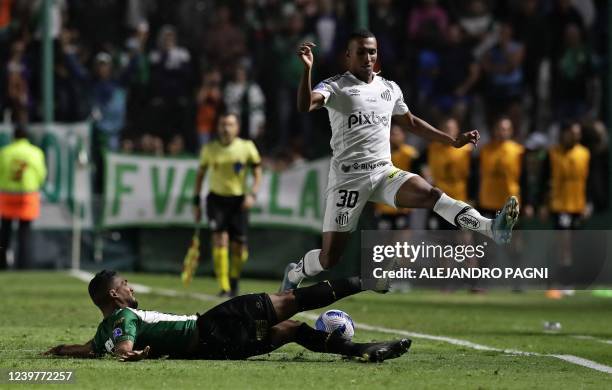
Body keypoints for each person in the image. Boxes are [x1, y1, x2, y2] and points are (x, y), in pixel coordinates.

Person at [280, 30, 519, 292]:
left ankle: (490, 228)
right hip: (348, 180)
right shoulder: (335, 86)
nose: (368, 57)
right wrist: (307, 71)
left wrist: (451, 141)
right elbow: (305, 106)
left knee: (432, 194)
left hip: (384, 173)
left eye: (372, 51)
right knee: (329, 259)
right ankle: (296, 272)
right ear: (348, 56)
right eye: (361, 52)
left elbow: (413, 123)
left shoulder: (389, 88)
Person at [44, 270, 411, 362]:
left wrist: (57, 351)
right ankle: (367, 279)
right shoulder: (125, 319)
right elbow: (124, 346)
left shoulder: (100, 333)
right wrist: (129, 353)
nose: (131, 289)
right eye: (126, 285)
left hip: (217, 349)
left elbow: (86, 350)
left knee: (293, 330)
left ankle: (362, 349)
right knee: (290, 299)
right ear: (114, 295)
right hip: (212, 325)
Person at [193, 113, 262, 297]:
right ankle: (224, 287)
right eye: (223, 124)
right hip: (216, 200)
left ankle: (234, 280)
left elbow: (257, 172)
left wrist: (253, 194)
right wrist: (196, 202)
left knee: (239, 247)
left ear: (237, 128)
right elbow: (200, 176)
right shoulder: (210, 149)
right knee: (220, 240)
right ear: (218, 127)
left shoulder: (247, 147)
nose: (226, 128)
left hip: (238, 201)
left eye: (230, 124)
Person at [538, 122, 590, 298]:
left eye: (578, 133)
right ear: (564, 134)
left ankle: (569, 280)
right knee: (564, 245)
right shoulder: (553, 153)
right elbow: (544, 180)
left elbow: (590, 181)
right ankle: (565, 282)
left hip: (579, 206)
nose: (576, 136)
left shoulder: (585, 153)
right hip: (560, 206)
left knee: (571, 246)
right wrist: (543, 204)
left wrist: (589, 203)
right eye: (572, 133)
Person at [0, 124, 46, 269]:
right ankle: (24, 265)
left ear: (14, 136)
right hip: (27, 196)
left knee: (5, 232)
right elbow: (41, 174)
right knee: (25, 232)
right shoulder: (35, 152)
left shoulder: (5, 152)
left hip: (7, 195)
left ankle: (2, 264)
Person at [373, 124, 418, 230]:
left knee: (402, 241)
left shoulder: (410, 154)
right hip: (383, 206)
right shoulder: (379, 155)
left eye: (397, 134)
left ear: (403, 136)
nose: (394, 137)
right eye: (391, 134)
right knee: (385, 243)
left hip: (403, 206)